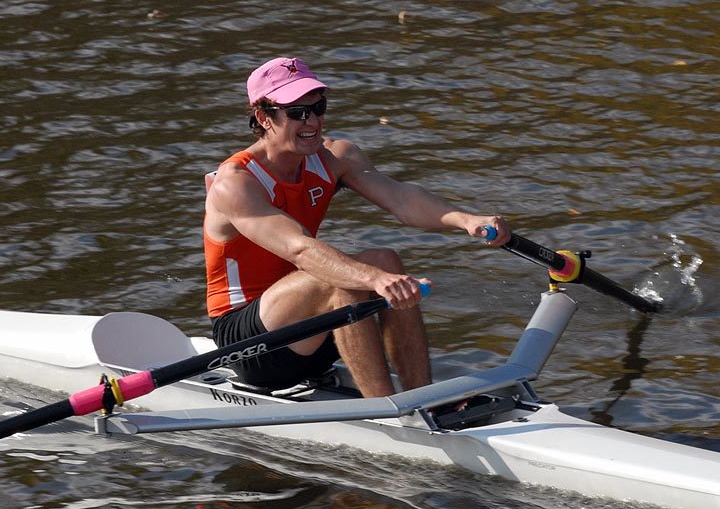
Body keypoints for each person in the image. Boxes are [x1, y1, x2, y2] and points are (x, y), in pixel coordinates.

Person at [203, 57, 511, 398]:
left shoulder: (335, 156)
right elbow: (299, 248)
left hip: (309, 329)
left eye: (318, 107)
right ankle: (384, 408)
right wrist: (373, 280)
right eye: (297, 113)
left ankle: (423, 396)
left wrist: (467, 220)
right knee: (348, 278)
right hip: (249, 344)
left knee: (385, 259)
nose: (313, 121)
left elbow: (403, 199)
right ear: (264, 117)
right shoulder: (236, 183)